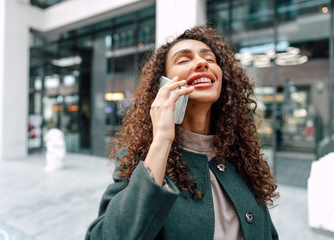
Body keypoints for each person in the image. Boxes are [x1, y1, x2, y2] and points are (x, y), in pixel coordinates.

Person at [85, 25, 279, 240]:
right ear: (163, 84)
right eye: (184, 60)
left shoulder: (241, 156)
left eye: (210, 59)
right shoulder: (143, 161)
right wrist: (161, 140)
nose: (202, 63)